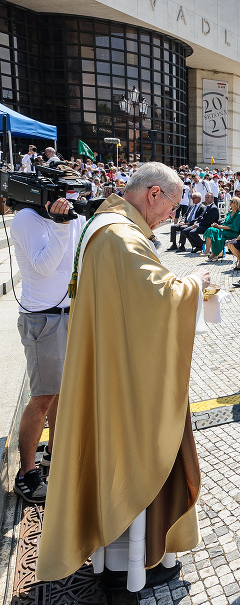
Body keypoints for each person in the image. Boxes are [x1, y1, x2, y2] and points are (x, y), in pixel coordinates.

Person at [37, 162, 210, 590]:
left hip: (113, 364)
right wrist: (195, 283)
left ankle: (116, 555)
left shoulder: (106, 226)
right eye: (172, 202)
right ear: (153, 194)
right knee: (140, 449)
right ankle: (136, 560)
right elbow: (157, 300)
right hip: (129, 379)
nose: (174, 213)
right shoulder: (120, 235)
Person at [9, 195, 86, 504]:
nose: (69, 202)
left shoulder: (73, 216)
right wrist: (62, 224)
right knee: (41, 397)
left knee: (61, 393)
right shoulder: (26, 218)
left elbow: (78, 258)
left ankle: (53, 457)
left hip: (70, 312)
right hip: (43, 318)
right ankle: (26, 476)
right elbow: (43, 267)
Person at [204, 196, 240, 260]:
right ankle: (209, 251)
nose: (230, 202)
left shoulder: (239, 214)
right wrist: (217, 225)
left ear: (236, 204)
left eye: (232, 201)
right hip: (224, 229)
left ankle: (213, 253)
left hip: (232, 232)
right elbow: (225, 224)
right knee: (210, 230)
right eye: (230, 201)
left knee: (214, 232)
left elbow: (233, 227)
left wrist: (218, 226)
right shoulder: (229, 213)